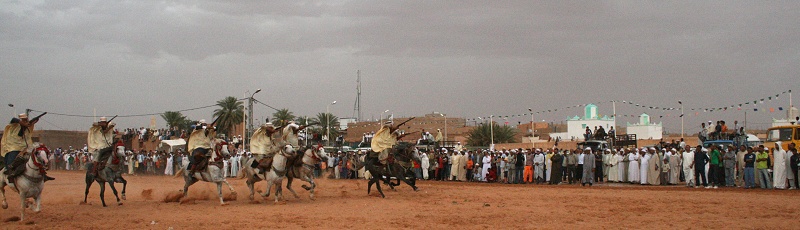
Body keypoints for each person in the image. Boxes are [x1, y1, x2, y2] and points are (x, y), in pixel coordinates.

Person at [2, 113, 55, 184]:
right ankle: (11, 176)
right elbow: (13, 119)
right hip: (14, 146)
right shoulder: (15, 124)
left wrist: (34, 121)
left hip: (25, 147)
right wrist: (23, 124)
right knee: (11, 163)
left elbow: (29, 129)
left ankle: (43, 175)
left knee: (36, 160)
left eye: (26, 119)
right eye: (23, 119)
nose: (25, 120)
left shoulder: (28, 126)